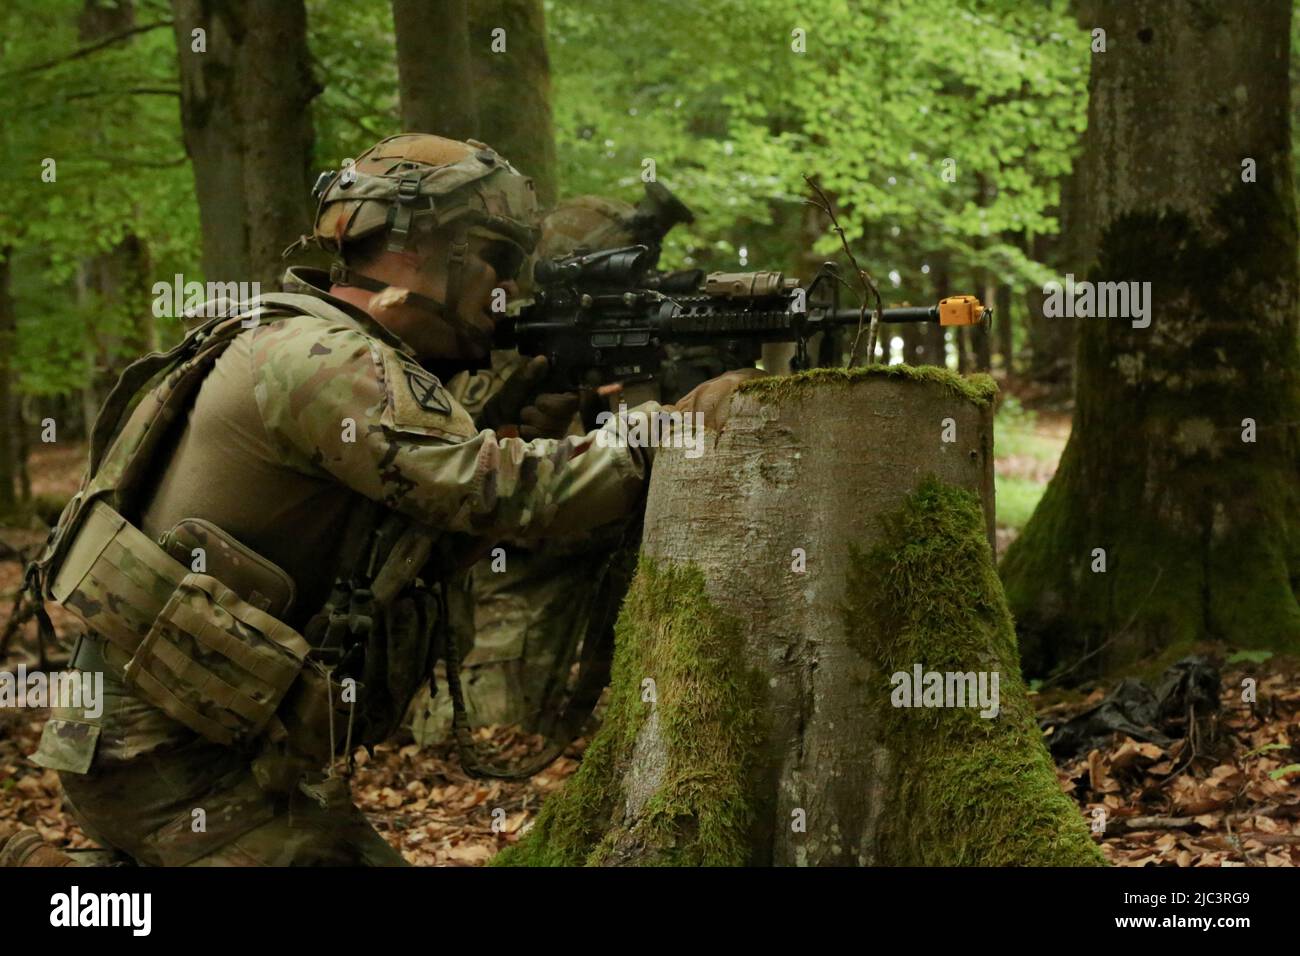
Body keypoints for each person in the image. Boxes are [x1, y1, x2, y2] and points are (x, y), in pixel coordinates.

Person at [24, 133, 749, 866]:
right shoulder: (323, 360)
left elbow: (422, 530)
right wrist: (663, 431)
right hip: (165, 763)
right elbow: (495, 492)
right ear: (428, 249)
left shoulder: (311, 342)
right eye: (498, 258)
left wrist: (520, 418)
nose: (510, 288)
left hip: (211, 745)